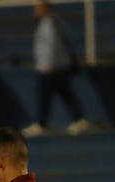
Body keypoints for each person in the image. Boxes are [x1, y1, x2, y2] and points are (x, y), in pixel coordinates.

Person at [21, 2, 89, 137]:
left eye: (38, 8)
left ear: (45, 9)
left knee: (49, 95)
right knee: (61, 94)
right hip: (52, 66)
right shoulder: (49, 23)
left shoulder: (51, 23)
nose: (35, 10)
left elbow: (53, 45)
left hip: (52, 67)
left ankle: (43, 124)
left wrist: (48, 65)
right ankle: (75, 120)